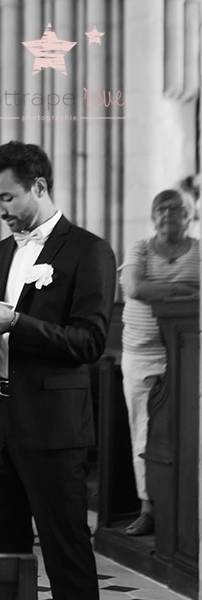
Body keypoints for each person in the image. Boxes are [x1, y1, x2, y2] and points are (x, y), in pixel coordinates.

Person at [0, 141, 117, 600]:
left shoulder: (89, 251)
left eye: (7, 197)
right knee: (2, 558)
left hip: (55, 428)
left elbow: (90, 342)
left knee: (67, 553)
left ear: (38, 186)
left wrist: (18, 322)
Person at [119, 189, 200, 536]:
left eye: (177, 208)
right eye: (162, 208)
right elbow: (135, 288)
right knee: (143, 433)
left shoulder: (198, 252)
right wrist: (184, 290)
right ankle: (148, 507)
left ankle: (186, 508)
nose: (169, 214)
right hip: (141, 353)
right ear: (153, 217)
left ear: (190, 215)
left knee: (189, 435)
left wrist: (161, 289)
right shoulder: (140, 248)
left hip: (186, 354)